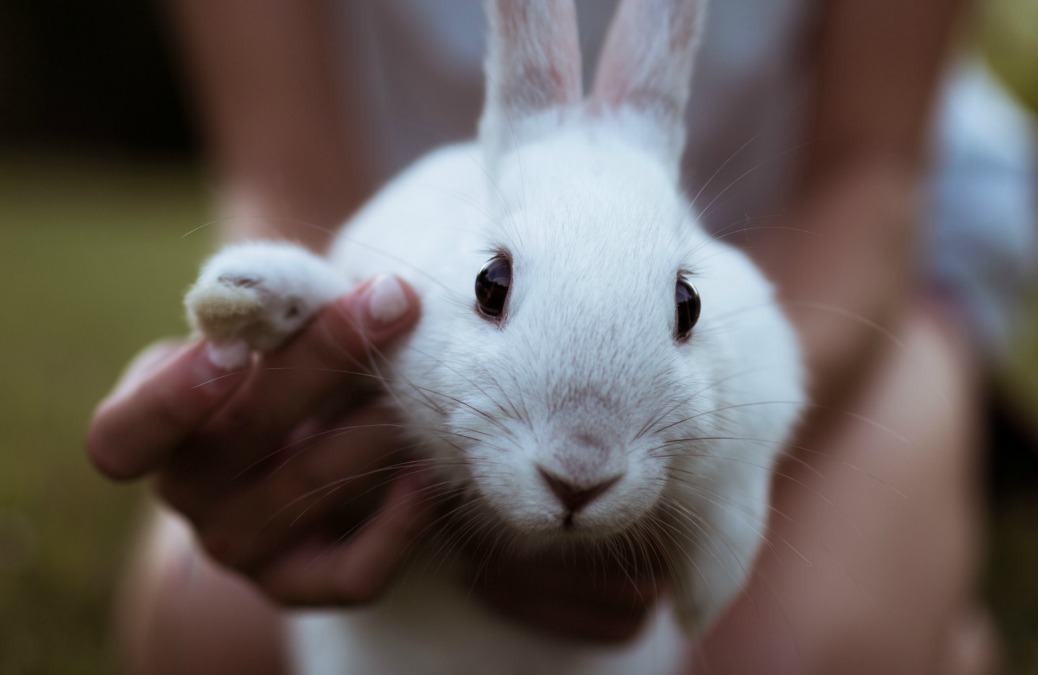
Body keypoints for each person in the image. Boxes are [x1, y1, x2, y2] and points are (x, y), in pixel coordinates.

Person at [88, 0, 1036, 672]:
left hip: (840, 249)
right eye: (496, 290)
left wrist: (711, 480)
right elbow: (289, 177)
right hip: (437, 205)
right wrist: (277, 374)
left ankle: (938, 612)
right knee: (214, 632)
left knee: (800, 656)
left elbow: (869, 174)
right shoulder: (443, 231)